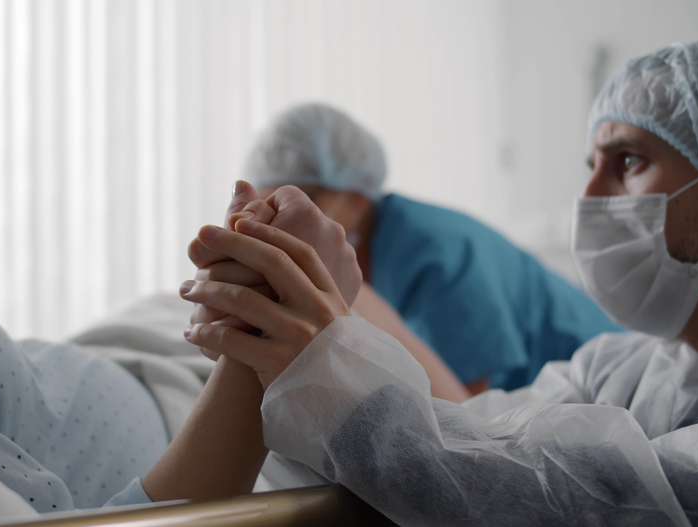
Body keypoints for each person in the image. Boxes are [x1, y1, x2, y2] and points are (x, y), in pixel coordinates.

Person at [184, 41, 698, 525]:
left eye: (629, 161)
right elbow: (475, 439)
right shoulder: (613, 370)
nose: (586, 201)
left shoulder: (439, 252)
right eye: (591, 167)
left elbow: (588, 499)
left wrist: (323, 359)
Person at [0, 67, 365, 519]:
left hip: (130, 356)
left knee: (321, 275)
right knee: (339, 284)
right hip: (189, 407)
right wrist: (258, 334)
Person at [243, 102, 623, 394]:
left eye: (296, 201)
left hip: (603, 390)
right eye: (267, 206)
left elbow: (465, 419)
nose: (278, 224)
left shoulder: (439, 254)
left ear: (357, 196)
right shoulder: (361, 251)